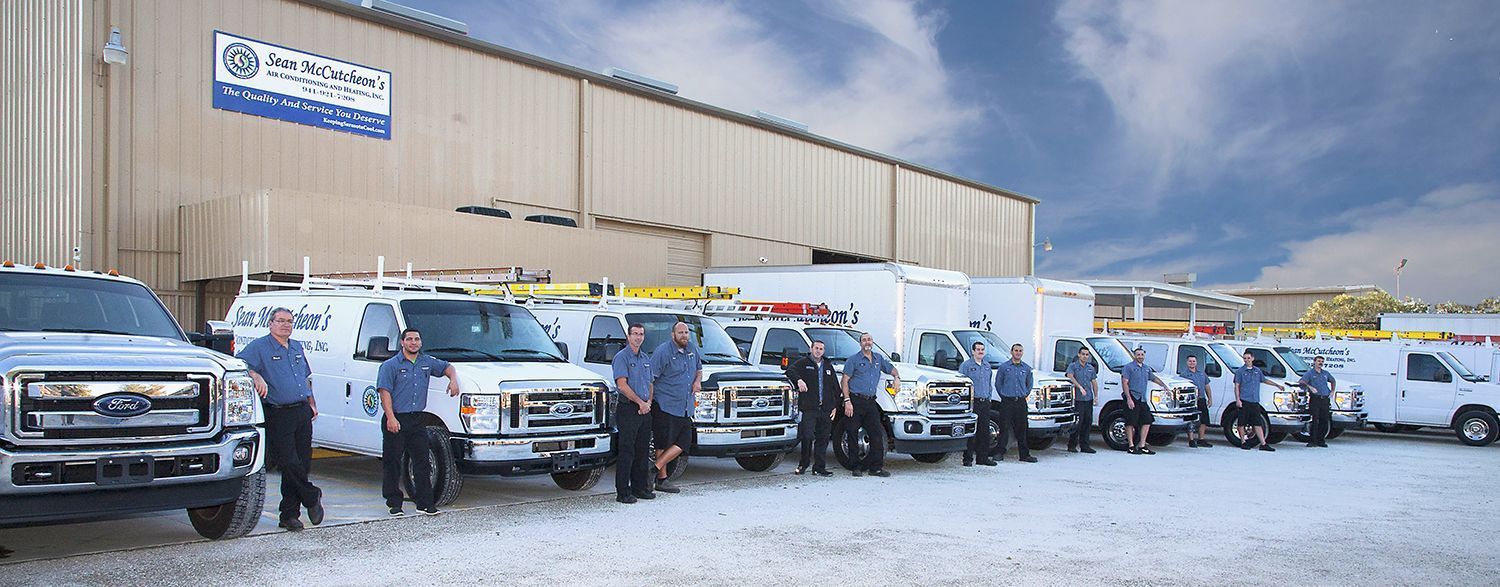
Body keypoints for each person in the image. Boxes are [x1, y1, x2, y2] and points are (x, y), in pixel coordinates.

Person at [238, 307, 323, 531]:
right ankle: (312, 495)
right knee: (288, 461)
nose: (286, 325)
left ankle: (289, 515)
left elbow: (305, 377)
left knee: (302, 464)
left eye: (289, 321)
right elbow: (239, 364)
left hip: (301, 410)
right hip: (278, 412)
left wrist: (311, 402)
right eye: (281, 321)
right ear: (271, 323)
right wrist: (255, 375)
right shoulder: (260, 347)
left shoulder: (296, 347)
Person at [376, 327, 460, 516]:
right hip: (396, 418)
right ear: (402, 342)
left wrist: (453, 380)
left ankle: (424, 503)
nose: (413, 343)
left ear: (421, 342)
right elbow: (384, 392)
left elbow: (448, 367)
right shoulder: (390, 365)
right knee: (392, 463)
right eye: (409, 339)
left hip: (417, 419)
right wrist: (391, 417)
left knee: (422, 461)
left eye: (417, 339)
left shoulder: (426, 362)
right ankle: (394, 503)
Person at [648, 322, 701, 493]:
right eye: (680, 332)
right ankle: (661, 480)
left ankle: (653, 469)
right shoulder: (663, 352)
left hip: (685, 406)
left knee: (684, 442)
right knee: (663, 443)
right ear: (673, 335)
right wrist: (648, 401)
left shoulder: (692, 349)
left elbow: (699, 369)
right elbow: (650, 378)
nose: (684, 335)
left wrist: (697, 381)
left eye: (686, 332)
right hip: (665, 404)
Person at [841, 332, 900, 477]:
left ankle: (876, 468)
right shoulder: (853, 360)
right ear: (860, 343)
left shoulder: (879, 359)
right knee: (852, 433)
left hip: (871, 402)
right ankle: (855, 466)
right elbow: (844, 381)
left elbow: (891, 369)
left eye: (869, 340)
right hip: (855, 401)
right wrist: (847, 401)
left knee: (876, 434)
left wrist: (897, 377)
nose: (867, 342)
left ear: (872, 342)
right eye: (864, 340)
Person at [611, 324, 656, 503]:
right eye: (635, 334)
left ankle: (639, 488)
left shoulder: (645, 358)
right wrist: (639, 402)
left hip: (645, 409)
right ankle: (623, 492)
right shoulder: (621, 357)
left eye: (641, 334)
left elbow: (650, 383)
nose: (638, 337)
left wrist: (648, 403)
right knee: (627, 451)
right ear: (628, 336)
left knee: (642, 451)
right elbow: (622, 385)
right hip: (628, 408)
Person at [787, 340, 840, 476]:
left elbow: (835, 387)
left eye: (821, 349)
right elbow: (790, 371)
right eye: (816, 348)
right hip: (809, 408)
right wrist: (799, 380)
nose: (818, 351)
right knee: (807, 436)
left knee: (823, 439)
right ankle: (803, 465)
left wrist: (834, 407)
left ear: (824, 351)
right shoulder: (803, 363)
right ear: (811, 349)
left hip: (826, 409)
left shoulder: (828, 366)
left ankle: (819, 468)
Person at [1121, 347, 1170, 455]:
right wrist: (1129, 399)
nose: (1140, 357)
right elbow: (1125, 383)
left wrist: (1165, 386)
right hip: (1132, 397)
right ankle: (1131, 446)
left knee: (1147, 421)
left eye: (1142, 355)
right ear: (1134, 355)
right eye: (1138, 354)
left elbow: (1154, 378)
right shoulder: (1128, 367)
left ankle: (1142, 445)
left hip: (1142, 399)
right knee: (1130, 422)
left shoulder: (1146, 368)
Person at [993, 343, 1037, 463]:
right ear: (1011, 352)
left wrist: (1025, 394)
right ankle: (999, 453)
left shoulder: (1026, 368)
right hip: (1007, 401)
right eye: (1016, 350)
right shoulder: (1004, 367)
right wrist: (1004, 395)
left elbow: (1029, 384)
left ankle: (1024, 455)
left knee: (1022, 428)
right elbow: (998, 384)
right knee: (1004, 427)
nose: (1018, 353)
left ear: (1022, 353)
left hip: (1021, 402)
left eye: (1020, 351)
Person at [1235, 352, 1286, 452]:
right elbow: (1237, 386)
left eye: (1248, 358)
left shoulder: (1257, 371)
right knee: (1241, 423)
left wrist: (1277, 385)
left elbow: (1264, 380)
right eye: (1245, 358)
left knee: (1257, 423)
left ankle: (1263, 443)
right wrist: (1238, 400)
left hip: (1255, 401)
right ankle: (1243, 442)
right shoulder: (1240, 371)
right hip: (1244, 400)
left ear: (1252, 358)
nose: (1246, 360)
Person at [958, 341, 997, 466]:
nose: (980, 352)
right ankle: (967, 459)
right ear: (973, 351)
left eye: (982, 349)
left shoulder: (987, 366)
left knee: (984, 431)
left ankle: (982, 458)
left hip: (984, 402)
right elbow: (962, 383)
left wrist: (989, 397)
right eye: (978, 349)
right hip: (973, 402)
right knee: (971, 431)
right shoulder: (966, 365)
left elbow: (989, 383)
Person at [1064, 347, 1098, 453]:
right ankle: (1072, 445)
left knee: (1087, 422)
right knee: (1078, 422)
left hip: (1088, 398)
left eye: (1087, 355)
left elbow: (1094, 382)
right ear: (1079, 355)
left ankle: (1085, 446)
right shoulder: (1073, 366)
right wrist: (1079, 387)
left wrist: (1096, 396)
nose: (1085, 356)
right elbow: (1070, 376)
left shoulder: (1090, 368)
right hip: (1078, 398)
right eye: (1083, 354)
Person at [1299, 355, 1337, 448]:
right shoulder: (1310, 373)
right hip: (1315, 399)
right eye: (1319, 361)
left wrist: (1332, 391)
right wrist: (1310, 387)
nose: (1320, 363)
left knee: (1324, 420)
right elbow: (1301, 381)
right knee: (1314, 420)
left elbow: (1333, 381)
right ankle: (1312, 441)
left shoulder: (1325, 373)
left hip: (1325, 399)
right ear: (1314, 362)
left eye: (1322, 361)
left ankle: (1321, 440)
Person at [1178, 355, 1215, 448]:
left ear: (1196, 362)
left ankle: (1201, 439)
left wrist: (1210, 398)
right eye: (1190, 361)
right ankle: (1191, 440)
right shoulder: (1183, 375)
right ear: (1187, 363)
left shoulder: (1202, 374)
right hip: (1190, 401)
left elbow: (1207, 386)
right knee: (1191, 420)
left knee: (1204, 420)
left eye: (1193, 361)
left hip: (1201, 399)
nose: (1192, 363)